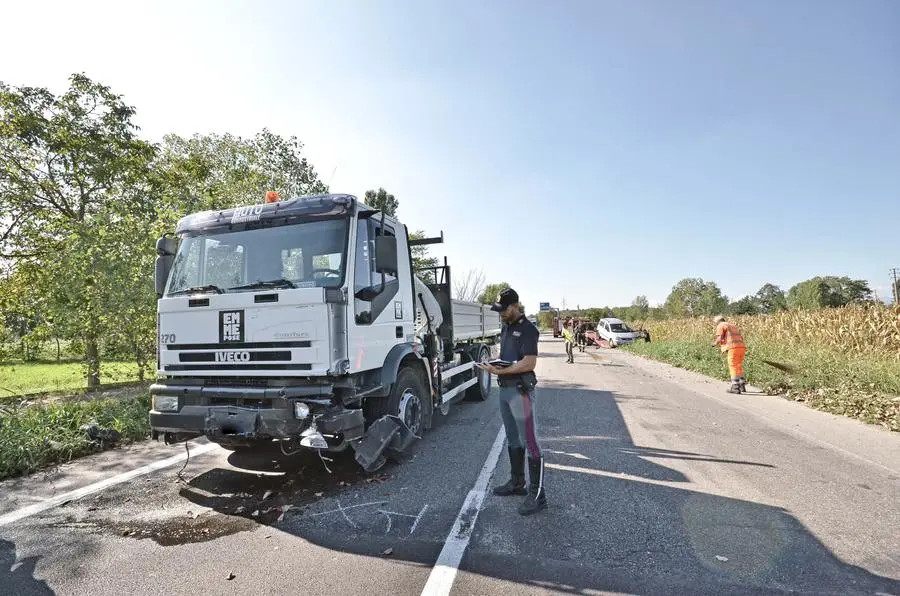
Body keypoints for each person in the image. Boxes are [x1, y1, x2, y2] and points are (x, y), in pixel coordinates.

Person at [478, 287, 548, 515]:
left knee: (530, 441)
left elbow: (529, 363)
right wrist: (495, 364)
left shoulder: (528, 330)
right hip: (505, 390)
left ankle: (538, 495)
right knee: (513, 438)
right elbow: (510, 358)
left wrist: (500, 372)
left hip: (520, 391)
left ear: (515, 306)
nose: (501, 313)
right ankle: (517, 483)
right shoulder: (506, 327)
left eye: (504, 309)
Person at [713, 315, 747, 393]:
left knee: (733, 366)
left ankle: (735, 387)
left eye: (715, 323)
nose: (716, 325)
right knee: (738, 365)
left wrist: (714, 344)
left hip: (732, 347)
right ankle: (742, 385)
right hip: (741, 347)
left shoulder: (721, 325)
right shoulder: (733, 326)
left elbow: (720, 338)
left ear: (718, 321)